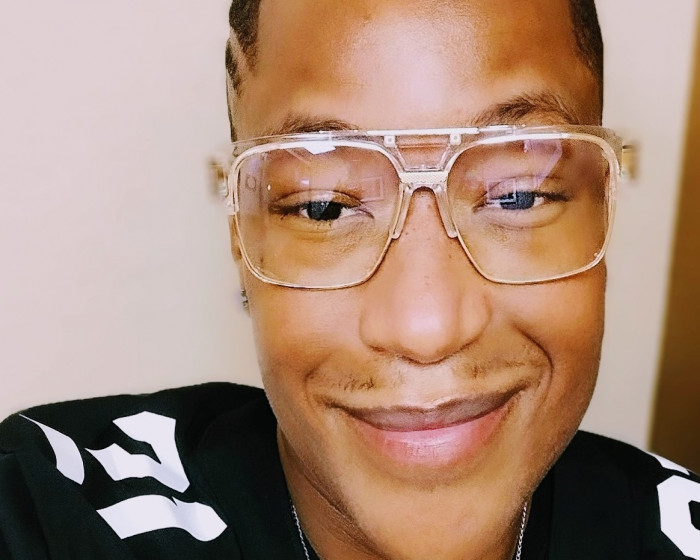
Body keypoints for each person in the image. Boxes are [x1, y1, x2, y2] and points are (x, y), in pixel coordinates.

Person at [0, 0, 698, 558]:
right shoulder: (48, 509)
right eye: (323, 207)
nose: (425, 328)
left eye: (517, 195)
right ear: (242, 236)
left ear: (603, 210)